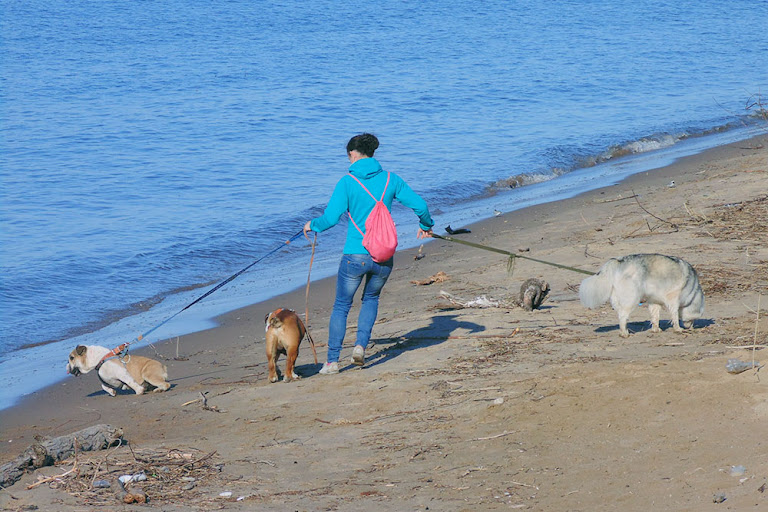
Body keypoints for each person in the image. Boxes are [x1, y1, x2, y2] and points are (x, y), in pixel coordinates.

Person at [303, 133, 434, 374]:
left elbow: (331, 219)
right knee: (371, 299)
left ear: (353, 154)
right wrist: (426, 226)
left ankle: (332, 362)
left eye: (348, 157)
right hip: (383, 256)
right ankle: (360, 347)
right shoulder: (391, 179)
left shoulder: (347, 182)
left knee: (342, 305)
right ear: (372, 153)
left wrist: (313, 225)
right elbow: (421, 206)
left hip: (355, 255)